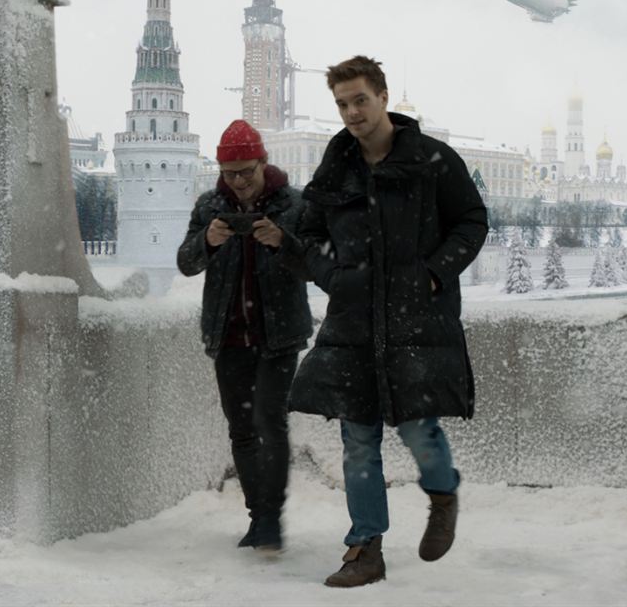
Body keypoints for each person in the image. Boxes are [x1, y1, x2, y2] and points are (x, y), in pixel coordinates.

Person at [288, 56, 488, 587]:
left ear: (382, 96)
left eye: (360, 100)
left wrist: (432, 275)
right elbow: (306, 236)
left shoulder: (432, 161)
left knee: (419, 427)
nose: (352, 112)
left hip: (416, 320)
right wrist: (335, 277)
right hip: (353, 323)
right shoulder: (336, 168)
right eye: (342, 104)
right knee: (357, 437)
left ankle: (442, 494)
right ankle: (365, 548)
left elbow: (472, 221)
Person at [177, 119, 313, 553]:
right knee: (241, 429)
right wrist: (208, 240)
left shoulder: (293, 204)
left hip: (279, 335)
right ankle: (258, 517)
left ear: (263, 163)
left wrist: (282, 241)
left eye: (246, 172)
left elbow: (315, 266)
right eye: (229, 173)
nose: (238, 183)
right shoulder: (210, 204)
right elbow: (185, 262)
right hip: (229, 335)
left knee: (269, 424)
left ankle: (270, 520)